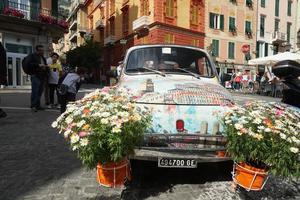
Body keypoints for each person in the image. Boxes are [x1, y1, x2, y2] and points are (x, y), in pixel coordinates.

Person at [27, 45, 48, 112]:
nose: (42, 52)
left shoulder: (43, 58)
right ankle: (33, 106)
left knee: (40, 92)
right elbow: (29, 64)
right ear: (37, 50)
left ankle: (38, 106)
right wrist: (38, 65)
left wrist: (46, 68)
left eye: (42, 50)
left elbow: (44, 65)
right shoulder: (32, 56)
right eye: (40, 50)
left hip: (42, 76)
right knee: (35, 91)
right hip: (35, 76)